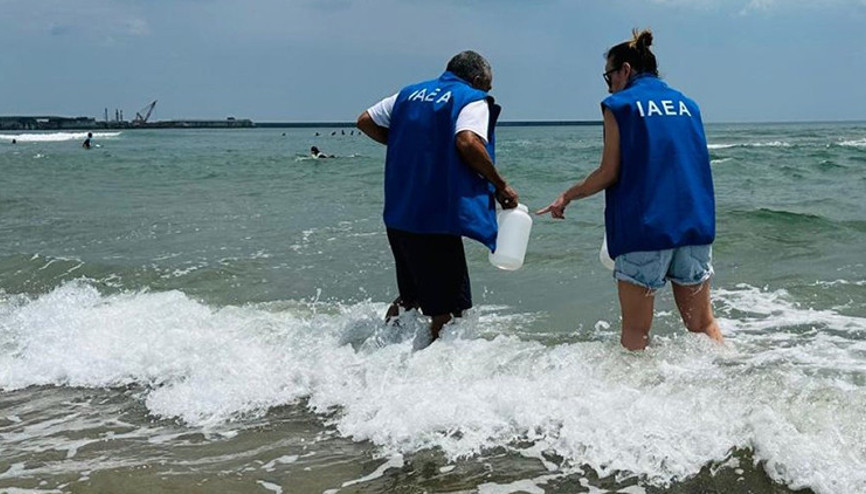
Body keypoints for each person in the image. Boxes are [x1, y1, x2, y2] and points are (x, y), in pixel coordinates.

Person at [537, 29, 723, 351]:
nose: (608, 83)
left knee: (637, 332)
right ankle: (730, 380)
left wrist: (567, 195)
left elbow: (610, 172)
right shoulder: (688, 105)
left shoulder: (620, 105)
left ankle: (635, 399)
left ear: (625, 70)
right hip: (695, 227)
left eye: (608, 76)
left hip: (646, 229)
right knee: (703, 325)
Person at [357, 50, 519, 347]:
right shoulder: (470, 98)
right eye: (488, 85)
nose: (488, 91)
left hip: (399, 212)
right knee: (450, 310)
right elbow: (467, 141)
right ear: (478, 78)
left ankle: (380, 349)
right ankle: (429, 373)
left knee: (412, 296)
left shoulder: (409, 94)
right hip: (435, 217)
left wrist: (403, 145)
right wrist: (500, 185)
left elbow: (365, 120)